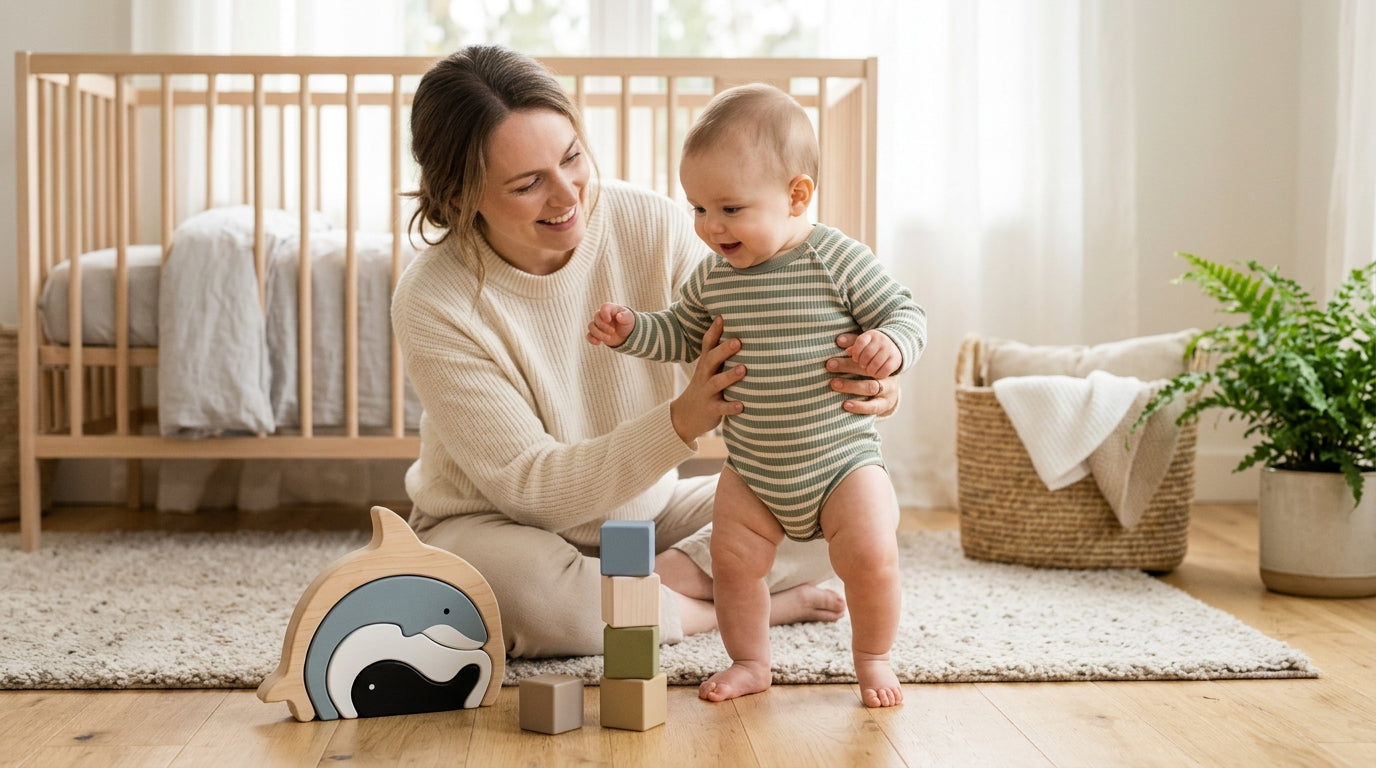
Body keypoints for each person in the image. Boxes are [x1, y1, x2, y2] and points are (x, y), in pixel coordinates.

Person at [390, 45, 902, 665]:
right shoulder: (433, 298)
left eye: (571, 157)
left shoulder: (652, 224)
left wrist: (867, 379)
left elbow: (763, 345)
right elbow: (532, 490)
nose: (567, 195)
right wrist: (682, 421)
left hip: (648, 512)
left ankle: (652, 588)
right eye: (528, 184)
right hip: (501, 528)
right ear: (458, 196)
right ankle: (727, 608)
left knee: (857, 509)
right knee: (517, 595)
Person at [586, 83, 926, 708]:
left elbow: (905, 313)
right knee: (734, 562)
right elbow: (680, 333)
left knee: (872, 556)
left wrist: (891, 346)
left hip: (841, 462)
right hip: (752, 469)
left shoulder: (837, 260)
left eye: (730, 208)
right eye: (698, 208)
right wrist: (632, 330)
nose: (710, 226)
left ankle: (874, 657)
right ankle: (750, 661)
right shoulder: (713, 278)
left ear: (796, 196)